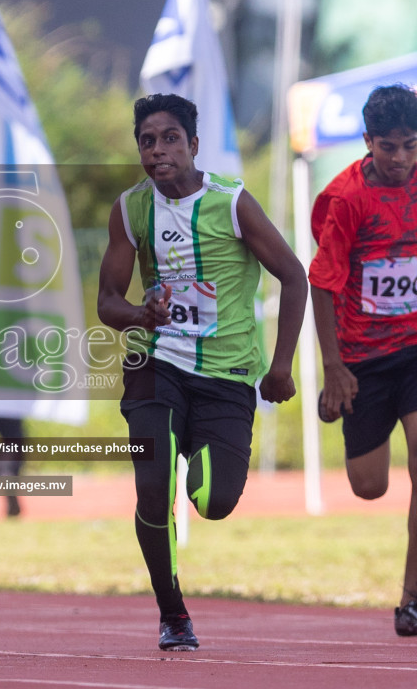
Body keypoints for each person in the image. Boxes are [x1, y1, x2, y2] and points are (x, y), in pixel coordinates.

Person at [98, 93, 306, 652]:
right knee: (152, 486)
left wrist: (281, 366)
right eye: (147, 140)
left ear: (193, 144)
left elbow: (294, 276)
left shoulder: (232, 204)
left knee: (213, 499)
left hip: (226, 371)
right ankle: (173, 613)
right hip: (156, 360)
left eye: (169, 139)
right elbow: (107, 301)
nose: (158, 151)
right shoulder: (130, 209)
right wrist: (142, 313)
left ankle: (198, 443)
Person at [309, 84, 417, 638]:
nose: (401, 158)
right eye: (388, 147)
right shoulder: (345, 199)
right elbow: (322, 283)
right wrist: (333, 366)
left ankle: (412, 602)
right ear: (367, 142)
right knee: (369, 486)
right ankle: (339, 404)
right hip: (361, 358)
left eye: (410, 145)